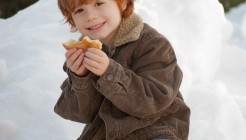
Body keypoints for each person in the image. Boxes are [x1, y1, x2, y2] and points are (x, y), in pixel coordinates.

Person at [54, 0, 191, 139]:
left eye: (99, 3)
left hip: (153, 132)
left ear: (123, 3)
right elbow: (81, 113)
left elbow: (153, 102)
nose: (90, 16)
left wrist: (110, 72)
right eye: (79, 11)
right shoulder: (84, 53)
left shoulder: (152, 44)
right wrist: (81, 78)